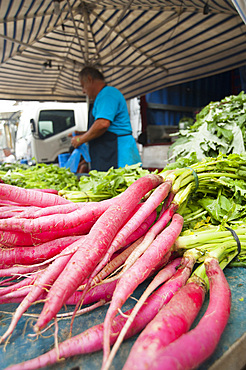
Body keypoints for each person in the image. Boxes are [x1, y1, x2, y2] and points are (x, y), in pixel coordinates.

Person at [70, 66, 142, 171]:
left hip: (119, 154)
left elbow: (103, 124)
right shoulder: (102, 96)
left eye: (83, 86)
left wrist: (81, 139)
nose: (83, 91)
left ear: (90, 79)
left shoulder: (108, 94)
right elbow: (106, 128)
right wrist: (82, 133)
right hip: (110, 151)